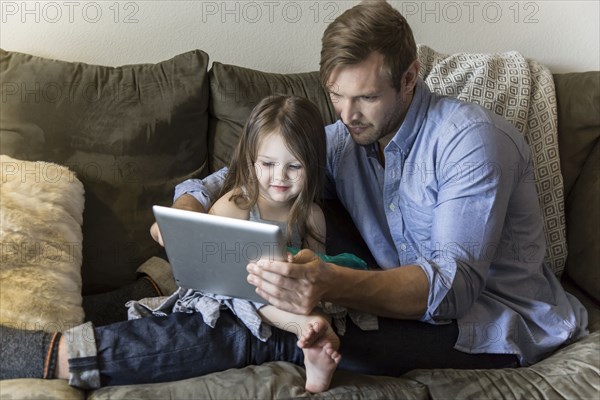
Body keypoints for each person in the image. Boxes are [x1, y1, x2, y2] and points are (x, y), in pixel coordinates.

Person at [1, 0, 588, 390]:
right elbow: (239, 175)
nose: (347, 115)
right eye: (336, 96)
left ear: (410, 79)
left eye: (365, 98)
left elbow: (453, 290)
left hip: (488, 321)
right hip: (389, 274)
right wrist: (190, 209)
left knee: (275, 325)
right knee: (279, 208)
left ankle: (57, 355)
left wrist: (327, 284)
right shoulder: (350, 138)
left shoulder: (470, 142)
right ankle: (136, 297)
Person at [142, 94, 344, 393]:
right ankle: (305, 329)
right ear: (251, 159)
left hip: (289, 296)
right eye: (268, 163)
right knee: (250, 292)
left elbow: (319, 269)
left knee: (327, 316)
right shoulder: (234, 204)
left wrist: (303, 264)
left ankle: (317, 357)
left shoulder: (311, 215)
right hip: (237, 294)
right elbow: (211, 268)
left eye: (294, 167)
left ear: (312, 165)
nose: (280, 177)